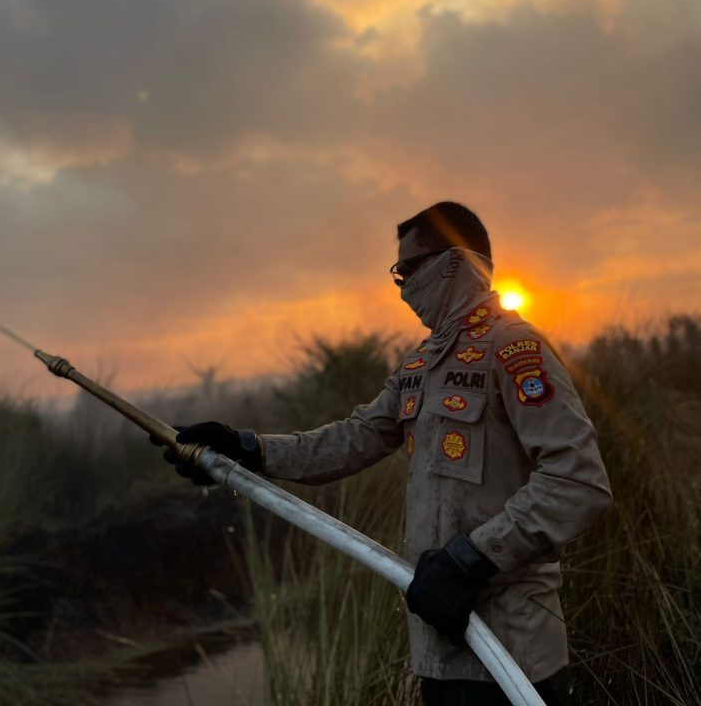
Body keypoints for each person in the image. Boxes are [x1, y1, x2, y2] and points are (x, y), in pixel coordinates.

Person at [162, 202, 612, 705]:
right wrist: (247, 449)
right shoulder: (419, 365)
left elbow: (578, 481)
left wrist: (470, 560)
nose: (401, 286)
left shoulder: (514, 348)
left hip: (513, 651)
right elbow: (353, 439)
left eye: (408, 269)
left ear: (455, 264)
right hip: (440, 645)